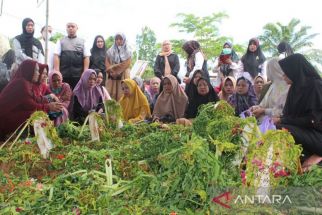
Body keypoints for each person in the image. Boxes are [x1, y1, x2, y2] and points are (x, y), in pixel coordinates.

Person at [273, 54, 322, 171]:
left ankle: (318, 154)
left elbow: (313, 120)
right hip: (305, 130)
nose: (283, 75)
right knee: (276, 128)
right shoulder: (295, 88)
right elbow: (291, 115)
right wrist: (279, 119)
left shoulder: (316, 86)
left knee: (282, 129)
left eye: (286, 71)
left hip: (317, 133)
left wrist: (282, 120)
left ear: (295, 70)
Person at [0, 60, 62, 139]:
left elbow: (36, 98)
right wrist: (49, 106)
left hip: (9, 115)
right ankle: (17, 136)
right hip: (4, 118)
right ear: (29, 70)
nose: (38, 73)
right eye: (36, 70)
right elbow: (31, 105)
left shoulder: (27, 83)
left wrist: (50, 99)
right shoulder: (21, 84)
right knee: (35, 114)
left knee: (38, 113)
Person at [54, 22, 90, 89]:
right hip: (63, 74)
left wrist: (85, 72)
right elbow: (56, 56)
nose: (70, 28)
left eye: (72, 26)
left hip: (78, 75)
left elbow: (86, 57)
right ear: (66, 28)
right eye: (68, 26)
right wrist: (57, 72)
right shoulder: (60, 41)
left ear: (77, 28)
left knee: (76, 95)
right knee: (64, 93)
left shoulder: (83, 41)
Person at [105, 33, 132, 101]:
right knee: (111, 93)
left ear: (124, 40)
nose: (118, 41)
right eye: (116, 39)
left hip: (123, 74)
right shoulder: (109, 51)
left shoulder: (128, 51)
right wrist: (111, 71)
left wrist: (114, 69)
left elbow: (127, 63)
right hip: (112, 76)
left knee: (122, 92)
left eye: (120, 39)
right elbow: (107, 62)